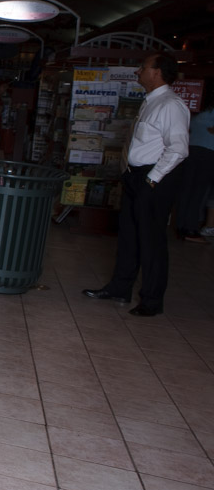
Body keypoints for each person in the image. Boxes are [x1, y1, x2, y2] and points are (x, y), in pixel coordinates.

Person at [85, 53, 189, 316]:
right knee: (129, 236)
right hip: (136, 175)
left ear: (157, 72)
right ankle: (120, 287)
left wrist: (152, 180)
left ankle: (152, 301)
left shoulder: (170, 105)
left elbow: (178, 149)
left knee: (151, 241)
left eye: (142, 67)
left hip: (154, 179)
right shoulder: (151, 101)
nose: (137, 72)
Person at [177, 86, 214, 242]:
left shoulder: (198, 112)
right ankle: (190, 229)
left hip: (190, 151)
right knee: (199, 192)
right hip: (208, 153)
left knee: (187, 190)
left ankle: (181, 226)